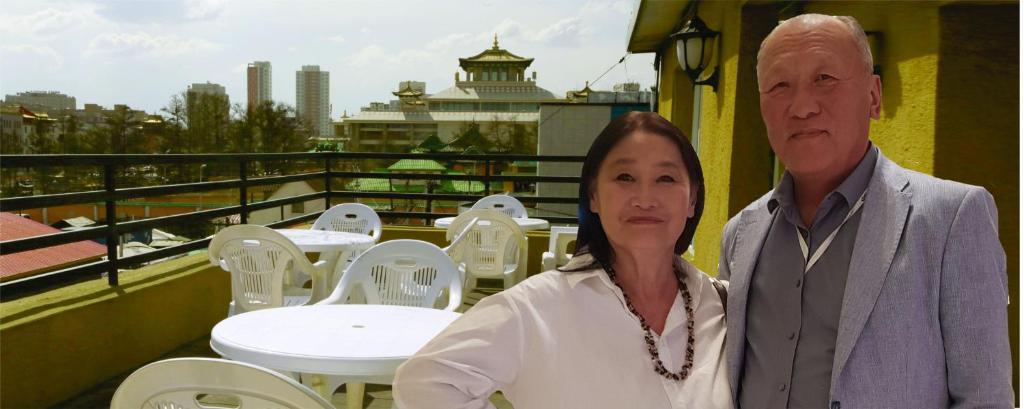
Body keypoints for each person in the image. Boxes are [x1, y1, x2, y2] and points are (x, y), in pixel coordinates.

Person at [718, 13, 1013, 409]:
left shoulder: (951, 219)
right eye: (779, 85)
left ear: (874, 96)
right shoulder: (741, 233)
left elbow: (984, 397)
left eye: (825, 79)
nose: (802, 106)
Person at [393, 111, 731, 408]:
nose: (645, 198)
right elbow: (423, 384)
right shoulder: (536, 309)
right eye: (625, 177)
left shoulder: (723, 304)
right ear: (594, 196)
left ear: (692, 200)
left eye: (666, 178)